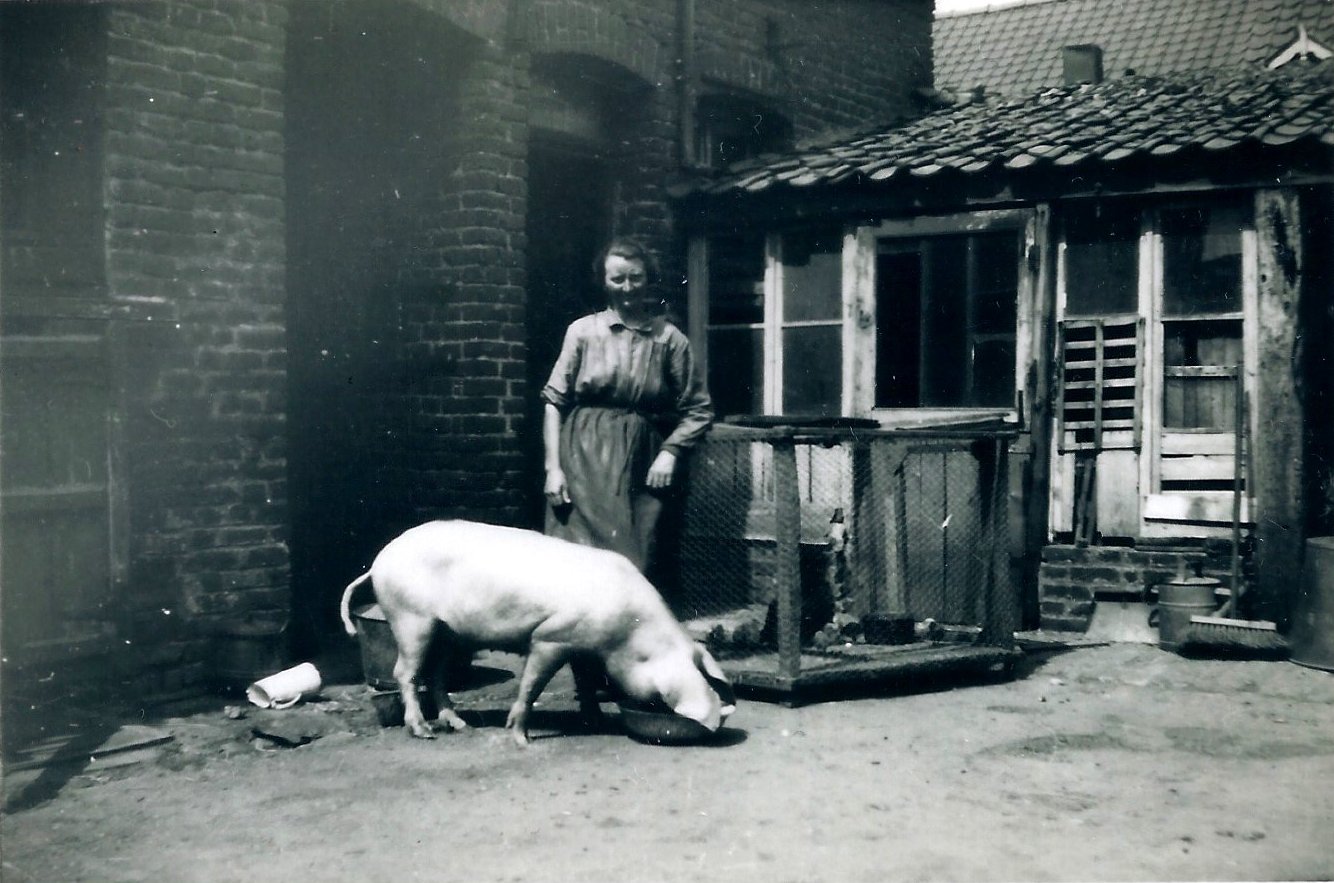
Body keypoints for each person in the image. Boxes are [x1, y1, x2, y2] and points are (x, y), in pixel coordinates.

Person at [541, 237, 714, 576]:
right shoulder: (582, 332)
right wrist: (553, 469)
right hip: (582, 458)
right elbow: (553, 401)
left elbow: (699, 410)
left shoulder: (669, 339)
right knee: (574, 560)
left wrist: (671, 452)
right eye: (617, 279)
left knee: (635, 560)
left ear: (649, 279)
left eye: (635, 277)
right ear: (603, 282)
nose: (627, 288)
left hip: (641, 461)